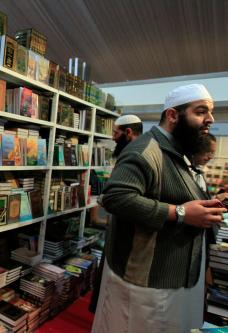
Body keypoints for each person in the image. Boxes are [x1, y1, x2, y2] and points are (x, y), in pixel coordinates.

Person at [91, 84, 226, 333]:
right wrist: (182, 213)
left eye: (210, 112)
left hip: (171, 278)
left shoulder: (177, 152)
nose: (210, 119)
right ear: (173, 115)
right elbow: (116, 197)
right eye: (200, 111)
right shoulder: (145, 150)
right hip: (147, 285)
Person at [88, 114, 142, 313]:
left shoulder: (134, 156)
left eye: (115, 133)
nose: (112, 138)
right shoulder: (129, 154)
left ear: (128, 133)